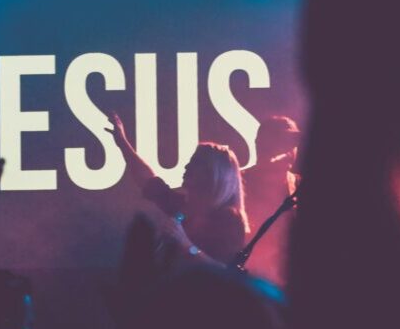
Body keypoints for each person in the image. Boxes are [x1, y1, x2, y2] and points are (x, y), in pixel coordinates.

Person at [107, 112, 249, 265]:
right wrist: (122, 142)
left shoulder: (229, 221)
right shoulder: (184, 207)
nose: (187, 167)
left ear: (212, 174)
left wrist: (186, 244)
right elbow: (149, 181)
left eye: (195, 164)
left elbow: (224, 270)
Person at [240, 115, 301, 283]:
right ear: (261, 145)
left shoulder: (299, 185)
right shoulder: (238, 182)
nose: (290, 149)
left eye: (292, 143)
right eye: (282, 141)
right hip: (248, 281)